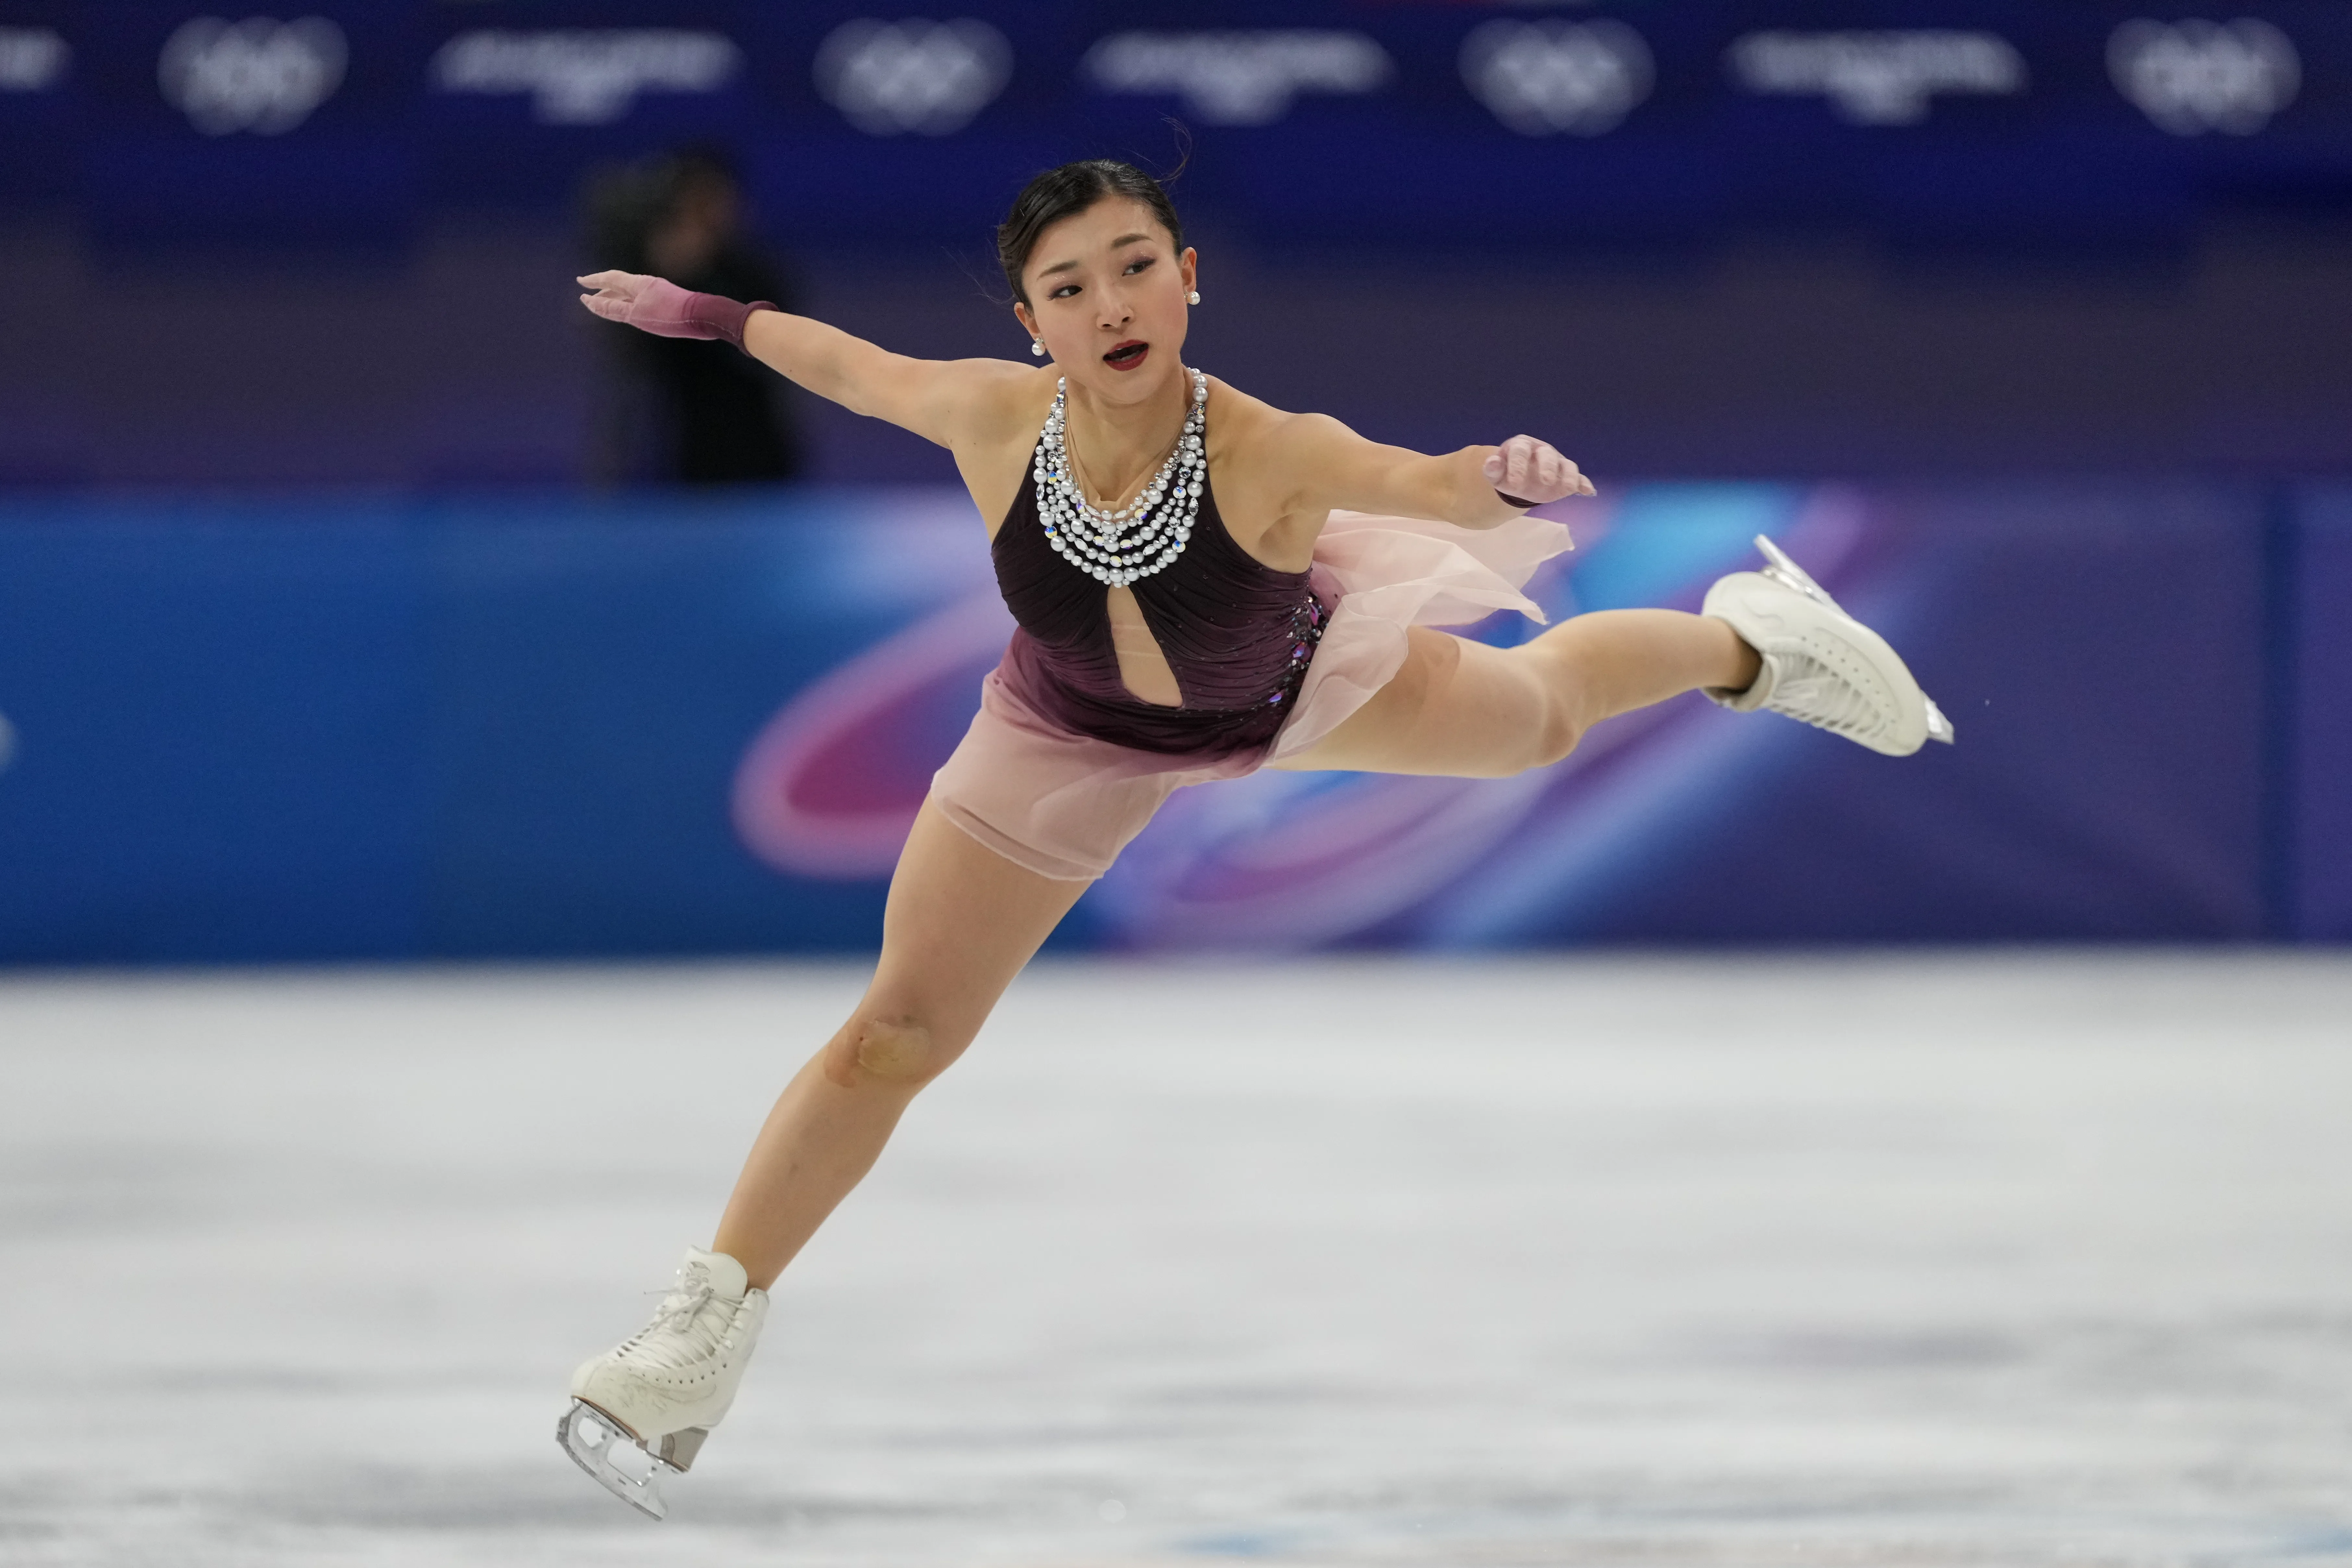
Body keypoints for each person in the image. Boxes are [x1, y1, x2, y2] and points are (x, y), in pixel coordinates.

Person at [556, 159, 1953, 1517]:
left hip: (1286, 696)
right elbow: (845, 363)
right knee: (894, 1038)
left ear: (1186, 280)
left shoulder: (1269, 450)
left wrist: (1500, 471)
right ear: (1030, 321)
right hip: (1059, 747)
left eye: (1134, 267)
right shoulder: (988, 416)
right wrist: (705, 315)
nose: (1110, 305)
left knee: (1532, 718)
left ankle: (1747, 641)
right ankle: (700, 1340)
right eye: (1068, 286)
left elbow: (1430, 479)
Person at [582, 148, 804, 485]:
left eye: (714, 199)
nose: (708, 212)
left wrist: (700, 277)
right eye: (696, 200)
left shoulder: (754, 273)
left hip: (759, 450)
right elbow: (636, 355)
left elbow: (780, 349)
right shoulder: (653, 274)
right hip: (684, 453)